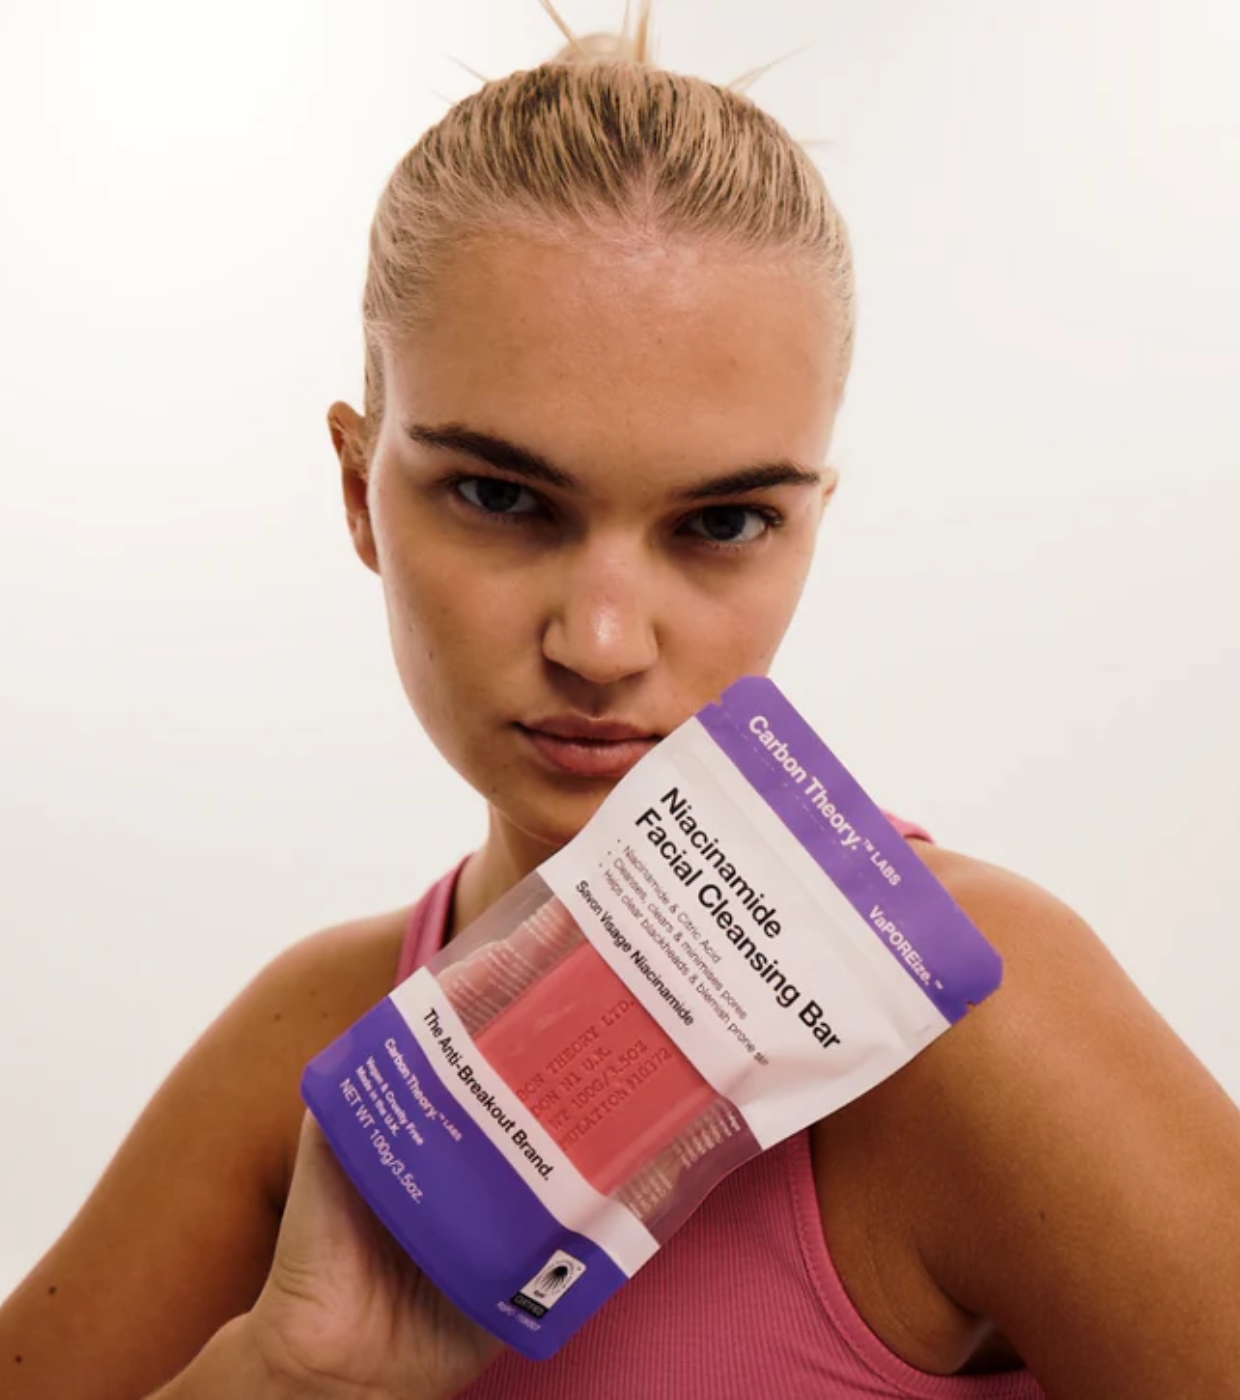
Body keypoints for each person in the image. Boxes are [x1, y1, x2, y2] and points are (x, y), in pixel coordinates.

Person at [4, 6, 1240, 1398]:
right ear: (359, 491)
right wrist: (295, 1377)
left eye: (722, 523)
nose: (601, 642)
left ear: (809, 522)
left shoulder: (976, 1026)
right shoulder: (312, 1052)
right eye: (500, 496)